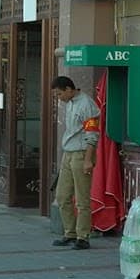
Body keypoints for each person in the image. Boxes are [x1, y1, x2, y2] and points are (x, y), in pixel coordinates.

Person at [51, 76, 100, 250]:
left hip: (81, 154)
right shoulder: (70, 102)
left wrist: (88, 160)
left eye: (59, 94)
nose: (59, 98)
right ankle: (69, 233)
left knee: (82, 199)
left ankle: (83, 236)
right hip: (68, 153)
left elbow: (92, 134)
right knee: (62, 196)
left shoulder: (86, 104)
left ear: (69, 89)